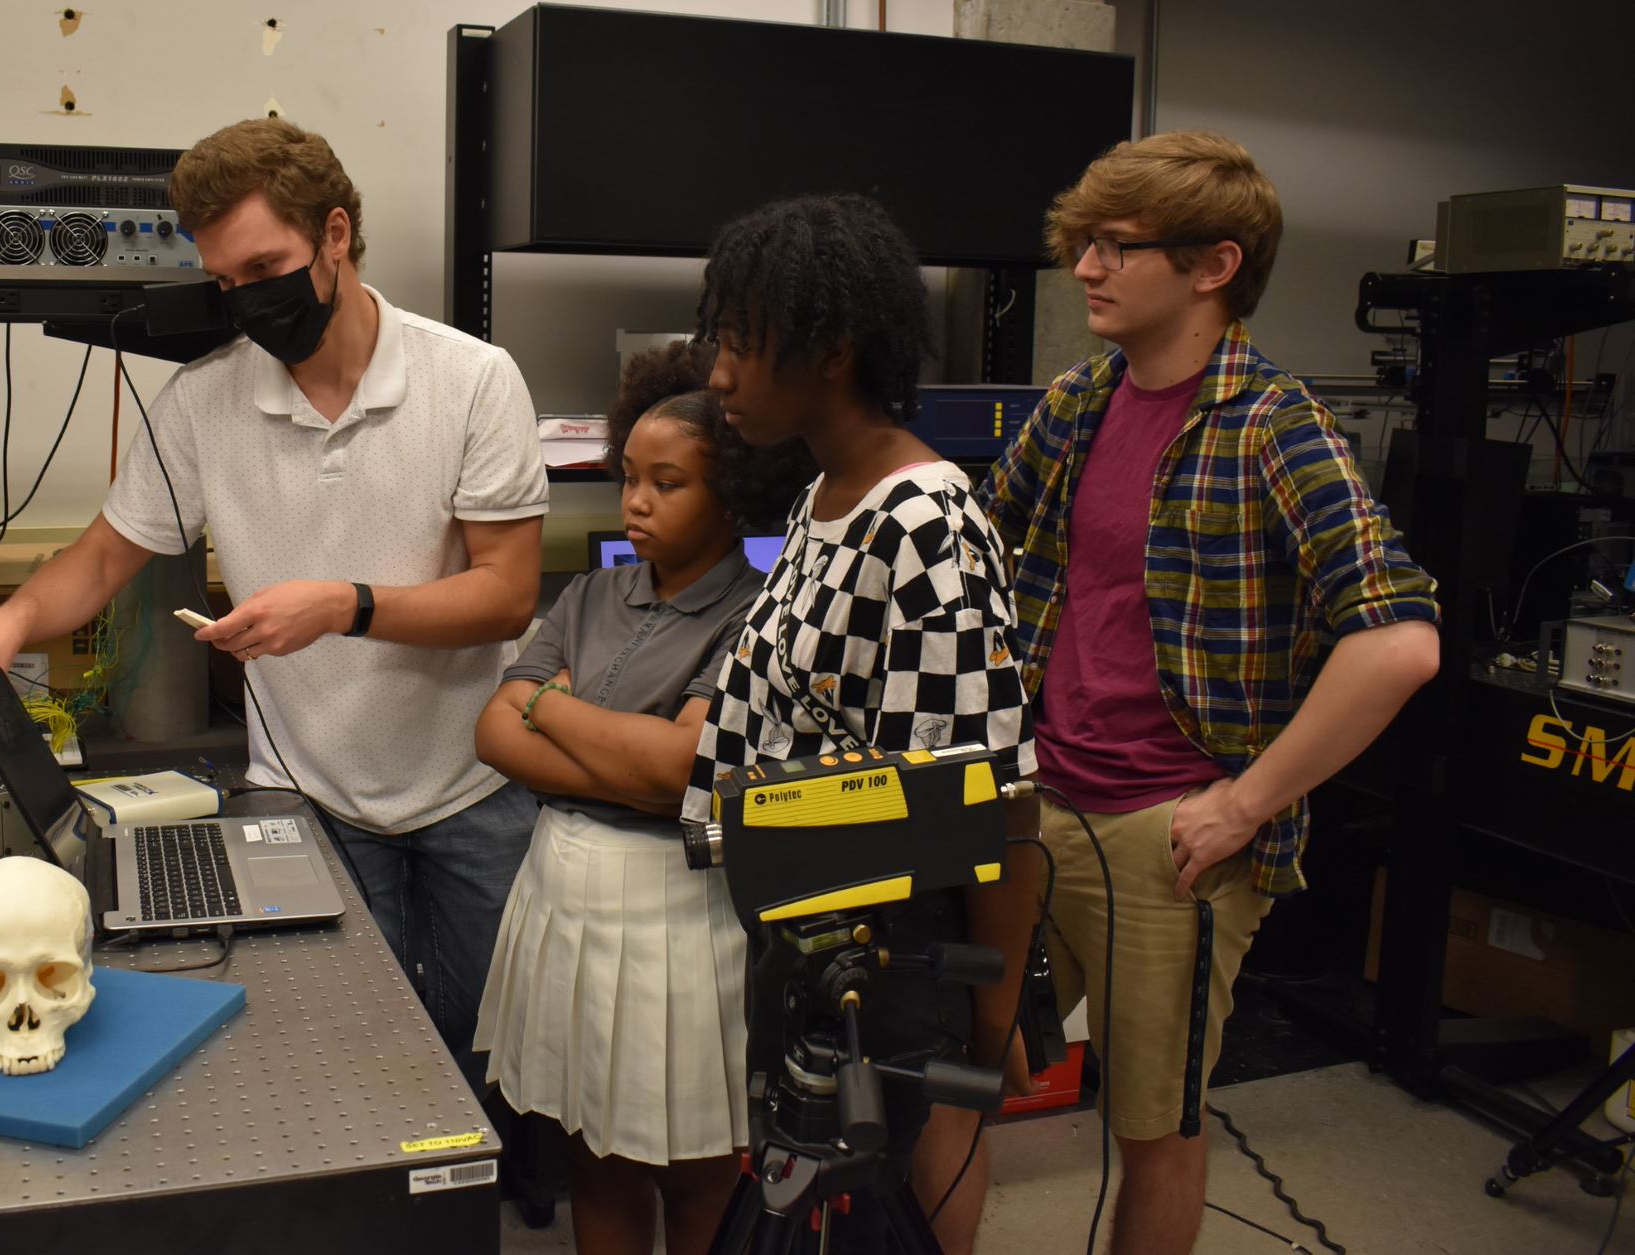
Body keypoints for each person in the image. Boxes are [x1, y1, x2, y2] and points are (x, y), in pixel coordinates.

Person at [0, 117, 549, 1092]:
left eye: (266, 265)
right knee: (359, 1061)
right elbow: (104, 558)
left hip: (470, 787)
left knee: (497, 1055)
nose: (249, 299)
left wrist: (344, 605)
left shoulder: (472, 381)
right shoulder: (204, 401)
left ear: (337, 235)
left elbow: (504, 594)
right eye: (225, 281)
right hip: (310, 794)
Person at [987, 131, 1440, 1255]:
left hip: (1171, 833)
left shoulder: (1276, 427)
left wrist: (1246, 803)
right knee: (953, 1071)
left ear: (1213, 264)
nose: (1085, 267)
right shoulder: (1080, 401)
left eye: (1117, 246)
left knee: (1156, 1133)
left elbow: (1400, 642)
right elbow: (978, 552)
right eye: (1081, 243)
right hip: (1039, 801)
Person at [692, 193, 1040, 1255]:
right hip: (818, 931)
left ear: (832, 349)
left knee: (895, 1205)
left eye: (742, 345)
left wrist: (993, 1013)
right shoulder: (824, 494)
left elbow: (992, 798)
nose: (717, 373)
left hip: (900, 958)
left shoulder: (926, 522)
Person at [474, 341, 812, 1255]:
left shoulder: (752, 614)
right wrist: (606, 743)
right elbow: (491, 732)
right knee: (595, 1157)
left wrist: (549, 704)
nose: (637, 502)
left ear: (733, 491)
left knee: (696, 1165)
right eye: (630, 477)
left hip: (678, 910)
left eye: (669, 484)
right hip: (564, 892)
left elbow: (677, 771)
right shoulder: (590, 591)